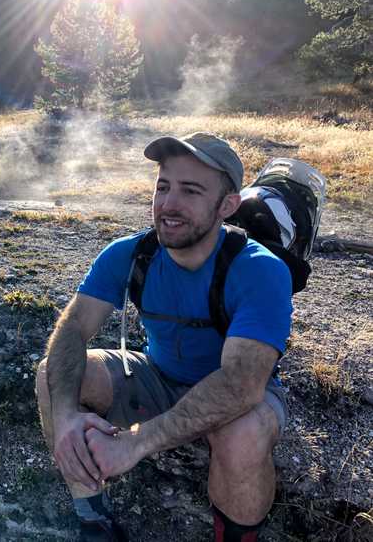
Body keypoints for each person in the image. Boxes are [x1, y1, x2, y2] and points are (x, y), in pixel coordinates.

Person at [35, 132, 293, 542]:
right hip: (157, 376)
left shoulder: (260, 270)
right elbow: (72, 330)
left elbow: (243, 386)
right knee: (54, 375)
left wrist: (136, 443)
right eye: (163, 186)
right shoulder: (130, 253)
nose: (169, 204)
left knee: (242, 434)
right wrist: (65, 415)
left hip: (241, 396)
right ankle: (94, 522)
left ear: (227, 205)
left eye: (190, 191)